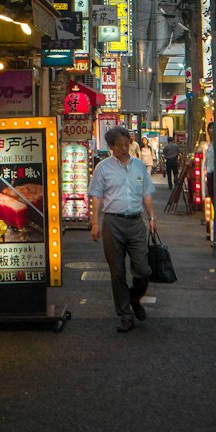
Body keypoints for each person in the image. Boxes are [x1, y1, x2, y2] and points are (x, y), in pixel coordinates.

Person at [88, 125, 157, 333]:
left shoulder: (138, 166)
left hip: (136, 222)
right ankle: (125, 314)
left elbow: (146, 194)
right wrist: (95, 222)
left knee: (143, 270)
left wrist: (152, 217)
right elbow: (97, 196)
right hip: (112, 223)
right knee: (117, 271)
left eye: (127, 144)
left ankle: (134, 299)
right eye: (120, 146)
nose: (125, 148)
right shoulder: (103, 168)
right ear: (110, 147)